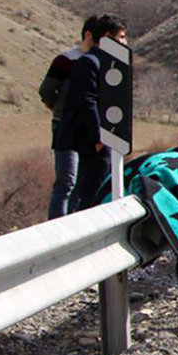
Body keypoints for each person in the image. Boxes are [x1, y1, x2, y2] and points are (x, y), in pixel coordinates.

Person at [53, 14, 127, 213]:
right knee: (88, 191)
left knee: (103, 186)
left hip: (107, 137)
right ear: (106, 37)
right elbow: (88, 101)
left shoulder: (110, 63)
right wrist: (98, 137)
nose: (125, 42)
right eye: (120, 37)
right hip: (93, 140)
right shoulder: (88, 62)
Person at [38, 17, 101, 219]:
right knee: (67, 181)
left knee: (85, 182)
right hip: (65, 127)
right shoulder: (66, 60)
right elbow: (46, 91)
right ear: (88, 35)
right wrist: (63, 112)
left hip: (92, 129)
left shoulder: (104, 62)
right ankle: (56, 228)